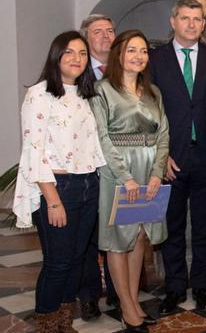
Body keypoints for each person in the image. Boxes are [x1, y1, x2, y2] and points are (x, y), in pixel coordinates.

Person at [13, 31, 105, 332]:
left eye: (82, 53)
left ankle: (64, 323)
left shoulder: (84, 95)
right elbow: (34, 151)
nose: (77, 59)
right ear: (56, 56)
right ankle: (47, 325)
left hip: (88, 185)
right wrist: (52, 199)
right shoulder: (39, 94)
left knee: (77, 260)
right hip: (58, 187)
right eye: (69, 52)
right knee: (58, 263)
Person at [91, 29, 169, 332]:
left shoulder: (154, 91)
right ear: (119, 54)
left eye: (143, 51)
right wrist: (126, 179)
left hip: (149, 173)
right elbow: (102, 137)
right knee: (117, 240)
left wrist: (155, 173)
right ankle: (125, 306)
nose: (139, 56)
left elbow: (163, 134)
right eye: (132, 50)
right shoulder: (102, 90)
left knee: (139, 237)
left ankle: (134, 300)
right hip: (118, 174)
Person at [151, 0, 206, 315]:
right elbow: (149, 112)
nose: (192, 24)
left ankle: (202, 285)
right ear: (173, 22)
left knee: (205, 226)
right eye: (185, 18)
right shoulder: (155, 60)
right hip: (171, 158)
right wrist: (160, 155)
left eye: (197, 19)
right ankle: (175, 287)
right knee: (173, 226)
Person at [77, 15, 117, 318]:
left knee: (119, 229)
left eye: (109, 31)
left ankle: (120, 293)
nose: (105, 36)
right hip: (88, 167)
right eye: (97, 32)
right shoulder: (76, 73)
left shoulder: (126, 69)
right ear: (86, 38)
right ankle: (89, 295)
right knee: (90, 234)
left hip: (120, 167)